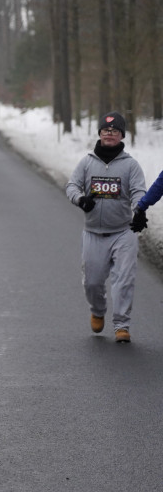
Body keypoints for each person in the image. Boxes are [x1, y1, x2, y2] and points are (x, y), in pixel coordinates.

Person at [65, 112, 146, 343]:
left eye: (115, 131)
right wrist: (81, 199)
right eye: (105, 130)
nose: (109, 134)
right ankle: (98, 310)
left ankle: (122, 325)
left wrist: (139, 209)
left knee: (124, 280)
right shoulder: (87, 162)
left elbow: (139, 191)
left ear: (122, 135)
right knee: (92, 282)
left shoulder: (131, 165)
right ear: (100, 133)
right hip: (93, 233)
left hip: (123, 232)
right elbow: (72, 186)